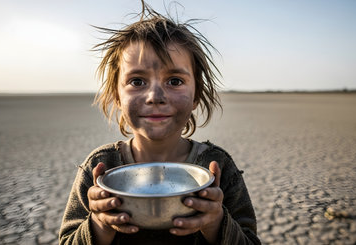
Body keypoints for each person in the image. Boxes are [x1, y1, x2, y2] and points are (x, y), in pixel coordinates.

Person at [59, 1, 260, 244]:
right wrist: (100, 223)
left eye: (174, 81)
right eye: (137, 81)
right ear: (116, 95)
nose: (155, 97)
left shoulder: (217, 166)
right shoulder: (100, 167)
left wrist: (216, 222)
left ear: (196, 95)